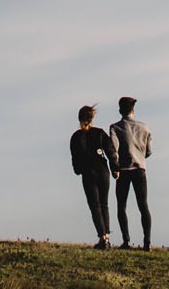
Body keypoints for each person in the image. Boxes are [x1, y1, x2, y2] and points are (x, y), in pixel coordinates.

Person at [68, 104, 115, 249]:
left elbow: (75, 161)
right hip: (103, 171)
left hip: (88, 173)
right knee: (104, 204)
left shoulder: (76, 137)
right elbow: (111, 150)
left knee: (94, 205)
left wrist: (79, 170)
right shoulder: (100, 133)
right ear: (92, 118)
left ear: (79, 119)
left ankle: (102, 238)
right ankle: (106, 236)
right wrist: (115, 168)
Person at [109, 96, 152, 249]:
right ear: (133, 110)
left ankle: (126, 240)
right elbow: (149, 151)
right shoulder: (144, 128)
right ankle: (147, 241)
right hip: (139, 168)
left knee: (121, 206)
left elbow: (113, 149)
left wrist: (114, 167)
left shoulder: (115, 128)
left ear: (120, 110)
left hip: (124, 170)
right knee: (143, 205)